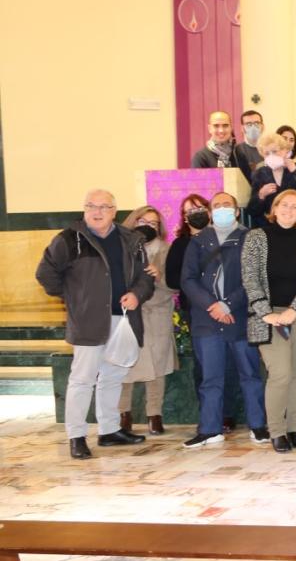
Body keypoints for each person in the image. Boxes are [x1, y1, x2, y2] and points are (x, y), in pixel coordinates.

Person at [36, 191, 153, 459]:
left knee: (113, 377)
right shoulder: (69, 239)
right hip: (88, 321)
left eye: (103, 207)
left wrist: (137, 294)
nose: (96, 211)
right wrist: (75, 299)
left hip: (122, 319)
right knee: (82, 379)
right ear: (84, 209)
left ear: (114, 211)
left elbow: (145, 277)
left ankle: (109, 431)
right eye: (90, 206)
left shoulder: (130, 239)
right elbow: (46, 273)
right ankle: (76, 436)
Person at [179, 191, 267, 447]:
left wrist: (228, 305)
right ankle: (209, 428)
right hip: (207, 321)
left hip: (240, 319)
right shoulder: (198, 240)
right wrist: (213, 306)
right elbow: (188, 279)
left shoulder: (250, 238)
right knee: (210, 378)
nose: (221, 209)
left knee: (250, 375)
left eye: (226, 205)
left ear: (236, 211)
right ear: (210, 212)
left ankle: (258, 425)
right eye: (216, 206)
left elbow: (255, 278)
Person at [241, 189, 296, 453]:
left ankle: (294, 427)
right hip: (268, 317)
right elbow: (250, 278)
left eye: (294, 207)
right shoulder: (256, 237)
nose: (288, 210)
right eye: (283, 205)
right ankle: (276, 431)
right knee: (280, 373)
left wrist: (293, 310)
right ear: (274, 208)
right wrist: (267, 313)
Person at [117, 206, 176, 437]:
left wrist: (159, 278)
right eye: (143, 221)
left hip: (157, 314)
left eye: (153, 223)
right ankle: (123, 415)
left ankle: (154, 415)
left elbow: (174, 285)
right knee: (124, 366)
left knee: (156, 367)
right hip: (128, 315)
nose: (147, 226)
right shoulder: (122, 248)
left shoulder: (166, 250)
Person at [247, 129, 296, 225]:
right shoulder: (259, 174)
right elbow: (252, 211)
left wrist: (295, 171)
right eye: (267, 153)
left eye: (275, 151)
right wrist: (261, 195)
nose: (271, 155)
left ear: (285, 151)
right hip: (269, 226)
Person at [165, 194, 211, 324]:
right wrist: (194, 283)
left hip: (225, 305)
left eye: (199, 209)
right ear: (185, 218)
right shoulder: (179, 244)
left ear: (209, 212)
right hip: (193, 306)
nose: (196, 214)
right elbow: (171, 280)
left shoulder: (223, 239)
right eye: (190, 211)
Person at [235, 109, 264, 180]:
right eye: (248, 124)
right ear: (242, 128)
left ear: (262, 126)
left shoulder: (271, 149)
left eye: (257, 123)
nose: (253, 127)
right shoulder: (236, 151)